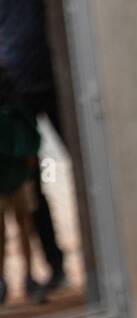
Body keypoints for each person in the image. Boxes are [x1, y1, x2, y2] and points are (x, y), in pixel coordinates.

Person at [0, 0, 66, 293]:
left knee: (89, 171)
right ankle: (48, 268)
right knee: (29, 192)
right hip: (16, 99)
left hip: (52, 82)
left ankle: (51, 268)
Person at [0, 65, 46, 307]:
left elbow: (29, 131)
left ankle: (29, 277)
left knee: (25, 226)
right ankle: (3, 282)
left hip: (17, 174)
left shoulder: (12, 95)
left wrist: (29, 160)